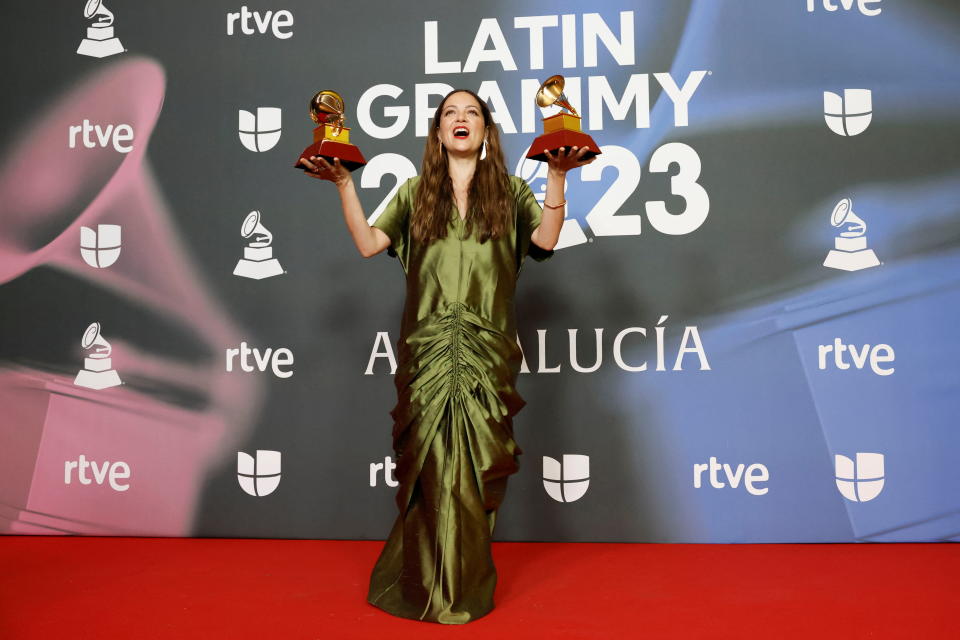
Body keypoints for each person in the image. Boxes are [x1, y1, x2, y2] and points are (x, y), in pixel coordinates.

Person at [299, 89, 594, 624]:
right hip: (428, 353)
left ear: (485, 131)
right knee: (432, 474)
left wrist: (557, 177)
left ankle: (465, 591)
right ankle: (420, 587)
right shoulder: (414, 194)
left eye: (472, 113)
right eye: (451, 114)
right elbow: (368, 243)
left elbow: (546, 239)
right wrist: (345, 184)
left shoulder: (510, 192)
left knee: (479, 475)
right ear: (438, 132)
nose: (461, 120)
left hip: (487, 353)